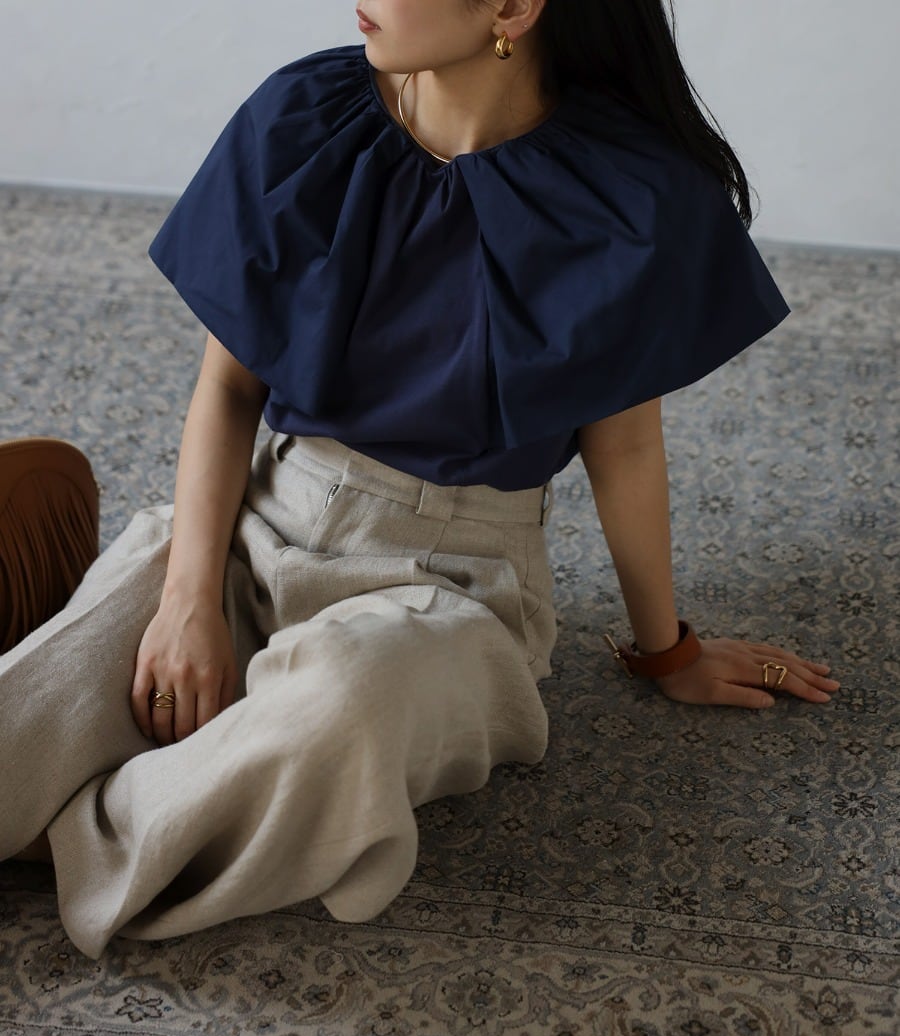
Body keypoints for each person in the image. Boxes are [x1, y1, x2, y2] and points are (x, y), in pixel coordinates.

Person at [0, 0, 839, 959]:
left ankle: (91, 831)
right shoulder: (302, 119)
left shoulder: (624, 195)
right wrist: (188, 598)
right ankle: (144, 747)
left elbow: (627, 449)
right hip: (251, 528)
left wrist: (668, 651)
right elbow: (228, 391)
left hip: (451, 593)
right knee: (32, 712)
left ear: (513, 8)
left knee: (338, 714)